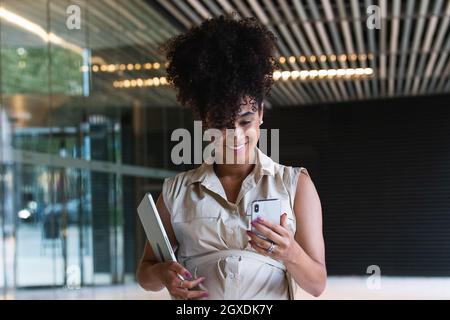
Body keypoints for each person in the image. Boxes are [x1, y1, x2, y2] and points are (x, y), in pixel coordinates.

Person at [136, 14, 326, 300]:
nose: (235, 135)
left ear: (260, 113)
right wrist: (164, 274)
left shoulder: (295, 184)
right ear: (204, 122)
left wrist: (290, 252)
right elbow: (145, 274)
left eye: (245, 121)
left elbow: (317, 285)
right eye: (222, 125)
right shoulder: (176, 192)